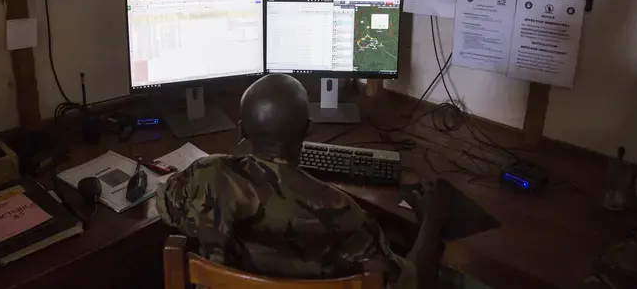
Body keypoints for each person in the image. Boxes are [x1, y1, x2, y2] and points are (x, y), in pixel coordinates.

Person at [156, 74, 448, 288]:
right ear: (308, 130)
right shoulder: (345, 212)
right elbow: (410, 281)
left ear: (242, 130)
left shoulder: (207, 175)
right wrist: (433, 221)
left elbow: (163, 203)